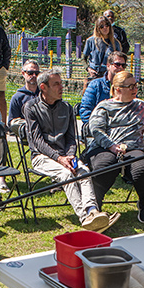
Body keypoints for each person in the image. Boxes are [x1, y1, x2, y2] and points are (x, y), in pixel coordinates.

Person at [24, 70, 119, 232]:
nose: (62, 87)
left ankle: (93, 211)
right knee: (66, 175)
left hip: (66, 155)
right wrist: (59, 158)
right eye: (56, 84)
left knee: (83, 171)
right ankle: (85, 218)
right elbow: (37, 142)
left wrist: (70, 156)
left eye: (61, 83)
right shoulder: (31, 108)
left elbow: (71, 138)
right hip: (42, 157)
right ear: (43, 87)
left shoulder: (66, 107)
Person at [87, 71, 144, 223]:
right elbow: (96, 130)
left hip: (133, 148)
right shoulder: (104, 106)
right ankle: (95, 209)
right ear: (117, 89)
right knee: (103, 167)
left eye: (135, 85)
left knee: (143, 169)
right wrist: (111, 146)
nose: (134, 89)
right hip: (105, 147)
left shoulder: (141, 105)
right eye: (130, 86)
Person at [78, 51, 127, 125]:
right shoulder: (95, 85)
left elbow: (136, 108)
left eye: (123, 66)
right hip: (99, 128)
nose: (120, 68)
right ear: (108, 66)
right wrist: (97, 127)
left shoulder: (128, 86)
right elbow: (85, 110)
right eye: (117, 64)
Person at [82, 16, 120, 83]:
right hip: (94, 75)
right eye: (101, 26)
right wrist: (89, 69)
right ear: (98, 28)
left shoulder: (115, 43)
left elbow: (119, 61)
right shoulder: (90, 41)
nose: (105, 28)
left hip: (108, 76)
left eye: (107, 25)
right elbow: (83, 58)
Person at [7, 59, 41, 133]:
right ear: (23, 73)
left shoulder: (45, 94)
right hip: (27, 131)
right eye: (30, 73)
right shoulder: (17, 97)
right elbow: (11, 122)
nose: (34, 76)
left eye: (37, 73)